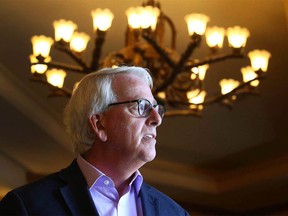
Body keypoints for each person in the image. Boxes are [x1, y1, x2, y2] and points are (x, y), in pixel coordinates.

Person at [0, 66, 189, 216]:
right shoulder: (27, 206)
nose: (157, 118)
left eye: (157, 108)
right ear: (99, 124)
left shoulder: (174, 212)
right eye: (141, 106)